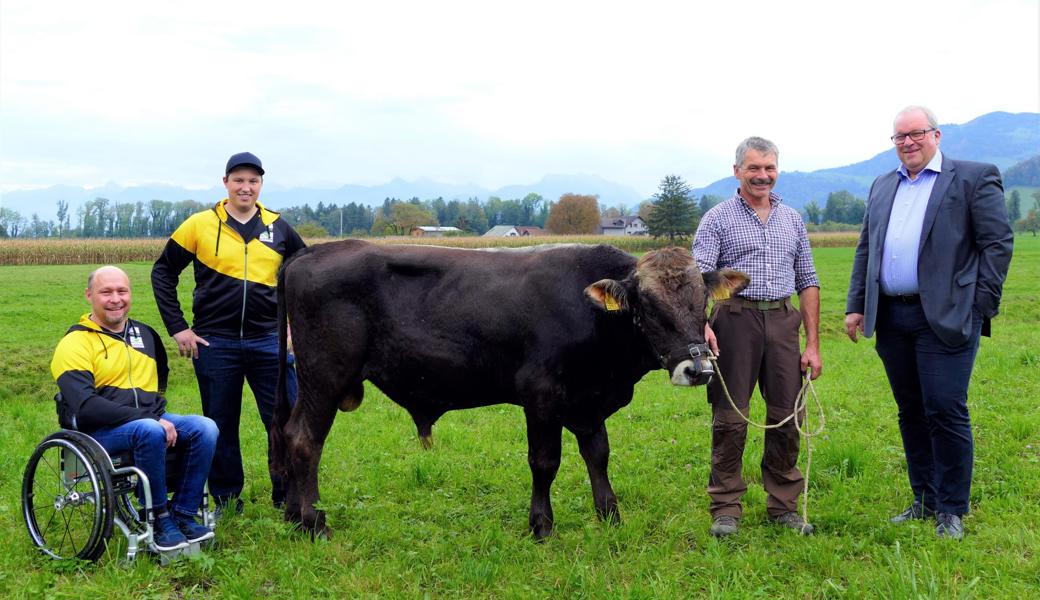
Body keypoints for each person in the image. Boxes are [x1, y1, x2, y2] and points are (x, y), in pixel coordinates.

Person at [845, 106, 1013, 540]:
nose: (907, 142)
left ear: (936, 134)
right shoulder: (883, 185)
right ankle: (924, 499)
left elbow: (997, 243)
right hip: (892, 316)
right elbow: (868, 248)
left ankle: (952, 509)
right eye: (899, 137)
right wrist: (856, 305)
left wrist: (980, 306)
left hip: (947, 316)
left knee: (945, 408)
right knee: (911, 411)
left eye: (916, 134)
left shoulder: (973, 177)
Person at [152, 152, 306, 514]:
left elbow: (307, 277)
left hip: (269, 340)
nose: (246, 187)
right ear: (225, 183)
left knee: (283, 420)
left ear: (261, 185)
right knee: (220, 425)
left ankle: (286, 494)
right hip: (214, 341)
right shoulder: (199, 224)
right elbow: (163, 272)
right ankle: (226, 498)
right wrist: (178, 328)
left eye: (253, 181)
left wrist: (293, 328)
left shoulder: (278, 227)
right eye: (239, 180)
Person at [692, 136, 822, 538]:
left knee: (787, 415)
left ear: (776, 170)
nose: (762, 176)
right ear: (737, 171)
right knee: (730, 418)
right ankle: (726, 507)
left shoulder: (792, 219)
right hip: (735, 320)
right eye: (753, 168)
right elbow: (698, 279)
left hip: (784, 321)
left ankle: (782, 505)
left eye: (769, 168)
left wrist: (813, 343)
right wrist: (703, 324)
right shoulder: (717, 219)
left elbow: (809, 280)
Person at [51, 266, 218, 551]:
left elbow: (158, 385)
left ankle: (184, 514)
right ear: (89, 295)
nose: (115, 299)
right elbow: (86, 406)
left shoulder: (145, 335)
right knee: (149, 429)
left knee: (206, 427)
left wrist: (155, 414)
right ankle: (159, 517)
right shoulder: (74, 343)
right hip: (98, 431)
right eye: (106, 292)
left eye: (122, 291)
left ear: (130, 294)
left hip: (146, 421)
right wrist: (148, 418)